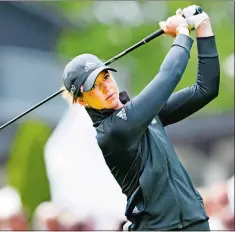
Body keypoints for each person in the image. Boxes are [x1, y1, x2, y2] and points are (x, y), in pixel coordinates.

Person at [61, 5, 220, 231]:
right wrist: (183, 33)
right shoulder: (113, 131)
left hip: (195, 222)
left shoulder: (140, 114)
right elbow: (168, 76)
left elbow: (206, 89)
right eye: (94, 86)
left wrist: (203, 27)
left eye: (105, 76)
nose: (106, 87)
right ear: (83, 101)